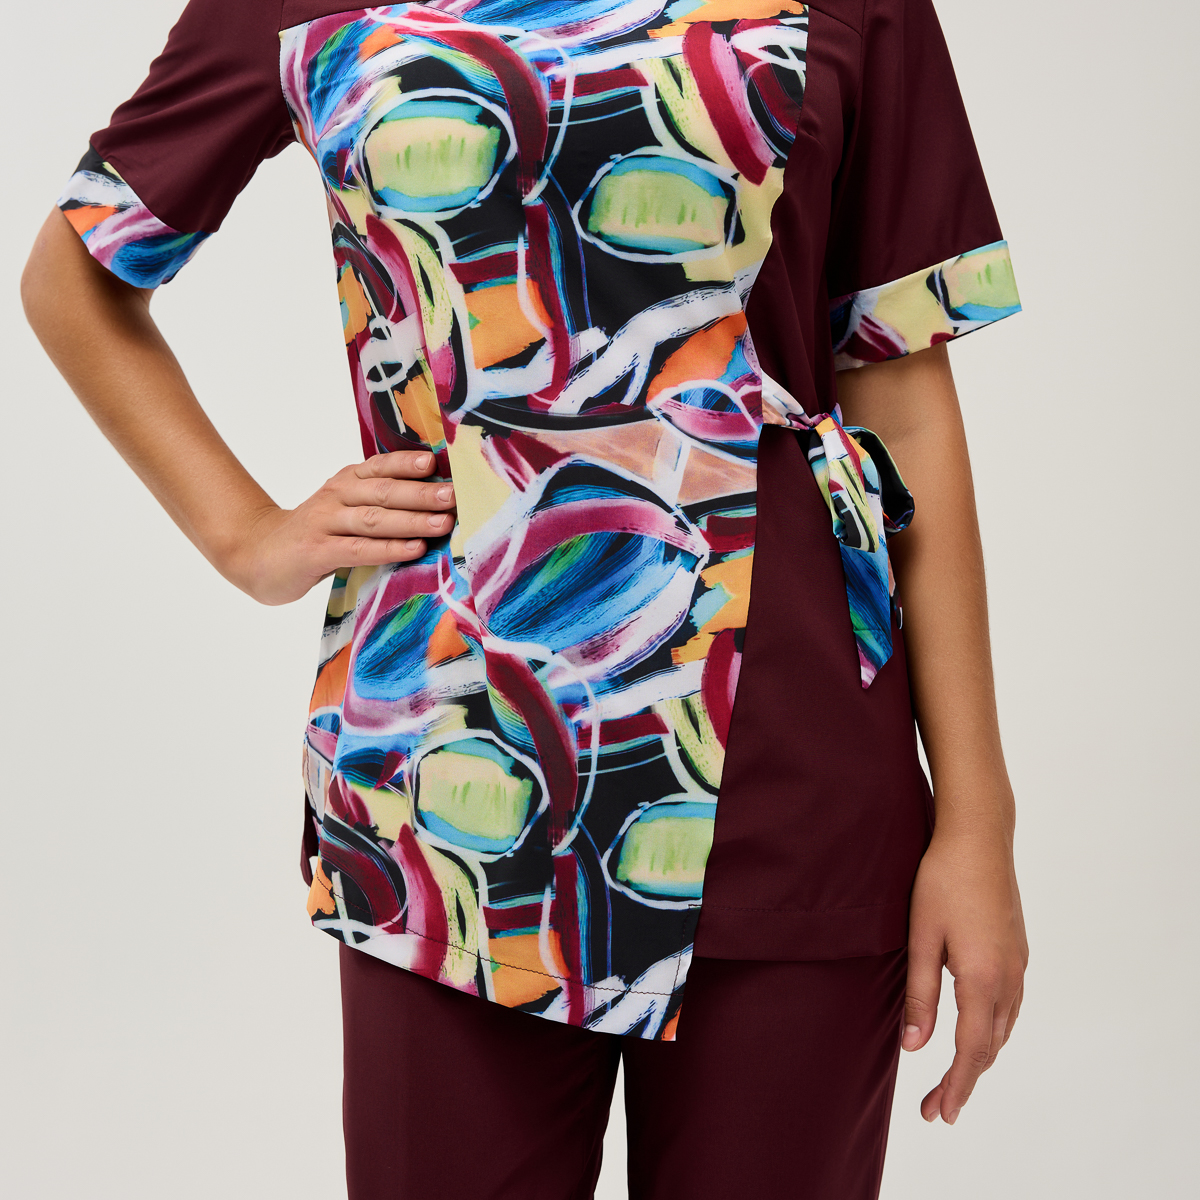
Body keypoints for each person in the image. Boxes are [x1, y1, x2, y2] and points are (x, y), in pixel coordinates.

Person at [22, 1, 1028, 1196]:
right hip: (452, 772)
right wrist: (246, 537)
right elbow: (75, 273)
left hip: (795, 758)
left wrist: (979, 822)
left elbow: (900, 396)